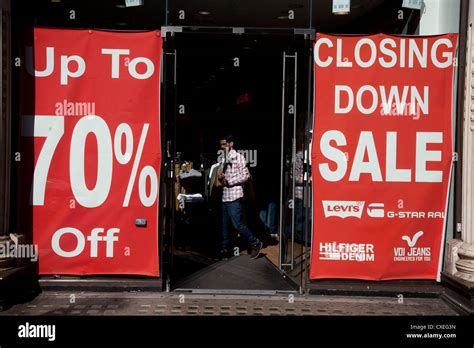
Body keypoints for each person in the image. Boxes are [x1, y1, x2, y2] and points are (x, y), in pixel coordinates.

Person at [218, 135, 263, 260]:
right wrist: (221, 178)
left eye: (224, 144)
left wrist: (229, 181)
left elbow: (245, 176)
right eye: (221, 144)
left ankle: (255, 242)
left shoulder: (239, 157)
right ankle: (225, 250)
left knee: (237, 224)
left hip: (235, 196)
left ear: (231, 143)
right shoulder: (224, 159)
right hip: (225, 196)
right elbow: (224, 178)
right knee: (225, 226)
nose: (221, 147)